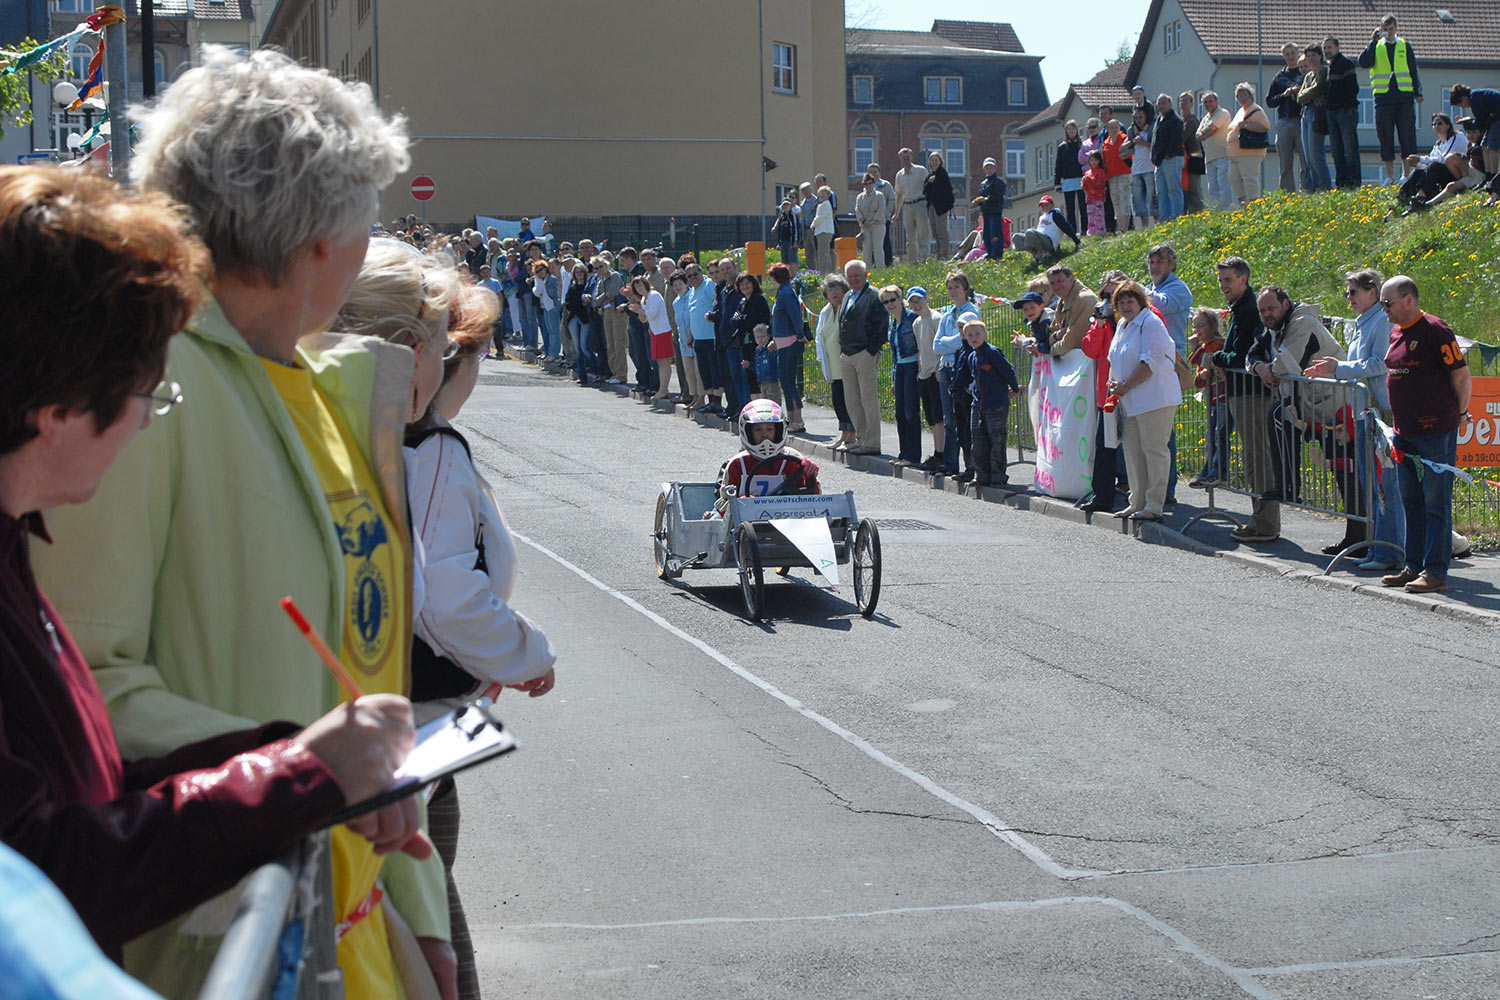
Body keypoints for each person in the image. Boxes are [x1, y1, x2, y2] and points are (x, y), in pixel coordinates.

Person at [27, 47, 453, 1000]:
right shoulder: (144, 389)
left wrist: (418, 906)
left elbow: (364, 664)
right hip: (217, 945)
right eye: (368, 215)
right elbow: (90, 689)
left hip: (345, 922)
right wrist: (303, 768)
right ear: (317, 237)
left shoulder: (315, 384)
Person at [1304, 269, 1405, 571]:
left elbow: (1379, 363)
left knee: (1386, 484)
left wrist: (1340, 368)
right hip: (1364, 414)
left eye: (1353, 292)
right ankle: (1377, 547)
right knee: (1371, 484)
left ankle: (1391, 551)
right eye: (1347, 292)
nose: (1348, 298)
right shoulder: (1363, 324)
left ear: (1372, 292)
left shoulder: (1382, 322)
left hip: (1381, 414)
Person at [1376, 276, 1470, 594]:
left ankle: (1435, 571)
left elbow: (1461, 374)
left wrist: (1461, 413)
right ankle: (1413, 566)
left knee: (1435, 503)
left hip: (1435, 432)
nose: (1384, 309)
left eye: (1387, 303)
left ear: (1408, 300)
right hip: (1405, 433)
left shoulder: (1435, 330)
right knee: (1411, 502)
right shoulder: (1395, 331)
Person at [1208, 257, 1279, 543]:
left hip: (1252, 393)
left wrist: (1215, 357)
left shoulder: (1250, 309)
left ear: (1243, 279)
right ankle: (1261, 519)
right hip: (1242, 393)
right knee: (1253, 458)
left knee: (1258, 459)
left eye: (1228, 279)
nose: (1223, 285)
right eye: (1221, 279)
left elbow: (1241, 356)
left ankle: (1265, 523)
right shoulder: (1242, 308)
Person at [1106, 281, 1183, 521]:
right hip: (1129, 401)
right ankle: (1136, 502)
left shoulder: (1151, 323)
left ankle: (1154, 505)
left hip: (1155, 399)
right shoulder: (1122, 324)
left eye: (1130, 301)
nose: (1126, 306)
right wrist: (1116, 388)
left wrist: (1126, 386)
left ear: (1141, 302)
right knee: (1133, 452)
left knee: (1154, 450)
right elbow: (1115, 358)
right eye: (1121, 302)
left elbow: (1149, 363)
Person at [716, 400, 820, 510]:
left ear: (779, 430)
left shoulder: (792, 460)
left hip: (786, 520)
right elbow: (722, 509)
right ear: (748, 432)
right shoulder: (737, 464)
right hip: (745, 523)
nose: (764, 434)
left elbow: (813, 502)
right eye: (758, 430)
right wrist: (742, 504)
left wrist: (809, 474)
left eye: (769, 429)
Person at [1359, 15, 1423, 186]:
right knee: (1385, 135)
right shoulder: (1376, 46)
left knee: (1406, 135)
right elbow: (1364, 62)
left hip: (1404, 97)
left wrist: (1418, 91)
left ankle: (1406, 173)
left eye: (1391, 28)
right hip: (1383, 98)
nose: (1388, 32)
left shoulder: (1404, 45)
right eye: (1385, 29)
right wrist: (1372, 42)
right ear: (1380, 29)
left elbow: (1413, 69)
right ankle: (1390, 174)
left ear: (1396, 28)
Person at [932, 271, 983, 477]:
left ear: (965, 289)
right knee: (949, 418)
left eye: (956, 287)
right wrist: (951, 342)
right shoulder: (946, 315)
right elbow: (937, 345)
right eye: (950, 287)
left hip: (962, 367)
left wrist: (951, 341)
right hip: (946, 368)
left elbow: (965, 339)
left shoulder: (971, 311)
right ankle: (950, 463)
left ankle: (970, 465)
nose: (953, 291)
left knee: (964, 418)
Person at [959, 321, 1019, 489]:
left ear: (985, 334)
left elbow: (1007, 371)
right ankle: (982, 475)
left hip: (996, 403)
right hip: (978, 405)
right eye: (969, 335)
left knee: (997, 440)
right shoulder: (972, 357)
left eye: (977, 334)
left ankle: (998, 476)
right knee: (978, 441)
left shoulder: (992, 353)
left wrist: (1014, 388)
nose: (973, 338)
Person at [838, 259, 887, 455]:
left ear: (865, 275)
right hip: (847, 354)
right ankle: (861, 438)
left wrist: (871, 351)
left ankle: (872, 442)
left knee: (868, 399)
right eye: (849, 276)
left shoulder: (875, 296)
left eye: (856, 275)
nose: (853, 279)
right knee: (852, 400)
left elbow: (882, 325)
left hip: (865, 353)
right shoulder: (848, 295)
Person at [1187, 307, 1231, 489]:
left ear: (1213, 326)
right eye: (1194, 326)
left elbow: (1208, 360)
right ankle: (1209, 469)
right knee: (1211, 436)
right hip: (1212, 399)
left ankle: (1218, 471)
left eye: (1201, 325)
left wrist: (1196, 347)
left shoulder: (1218, 345)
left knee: (1220, 435)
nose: (1197, 330)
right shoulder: (1205, 348)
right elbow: (1200, 377)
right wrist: (1202, 376)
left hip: (1224, 398)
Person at [814, 272, 856, 451]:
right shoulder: (825, 311)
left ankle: (852, 436)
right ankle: (844, 434)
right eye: (830, 289)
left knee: (850, 401)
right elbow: (819, 336)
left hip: (846, 362)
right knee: (838, 401)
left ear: (844, 290)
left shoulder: (848, 306)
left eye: (837, 288)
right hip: (832, 365)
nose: (834, 293)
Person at [881, 285, 923, 466]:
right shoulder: (892, 325)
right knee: (899, 413)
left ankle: (912, 456)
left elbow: (921, 345)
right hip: (899, 369)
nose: (890, 304)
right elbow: (894, 354)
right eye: (886, 301)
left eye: (892, 300)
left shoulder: (913, 319)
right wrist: (893, 379)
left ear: (900, 299)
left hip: (913, 367)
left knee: (910, 412)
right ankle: (903, 452)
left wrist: (921, 369)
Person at [908, 286, 945, 471]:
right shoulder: (916, 323)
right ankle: (937, 451)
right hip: (924, 373)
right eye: (912, 302)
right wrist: (919, 370)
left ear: (926, 299)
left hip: (935, 373)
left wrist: (939, 367)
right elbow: (921, 348)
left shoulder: (936, 318)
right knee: (931, 417)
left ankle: (941, 453)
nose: (916, 305)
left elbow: (940, 345)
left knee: (939, 417)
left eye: (918, 300)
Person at [767, 261, 806, 432]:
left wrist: (800, 335)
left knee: (789, 381)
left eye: (771, 278)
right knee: (786, 381)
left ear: (776, 278)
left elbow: (795, 316)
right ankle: (791, 418)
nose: (770, 281)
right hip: (783, 342)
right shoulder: (783, 292)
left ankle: (797, 419)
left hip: (790, 342)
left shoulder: (787, 294)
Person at [1396, 113, 1468, 207]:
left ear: (1448, 125)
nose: (1436, 126)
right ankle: (1403, 197)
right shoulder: (1438, 144)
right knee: (1418, 171)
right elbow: (1428, 165)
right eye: (1434, 124)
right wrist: (1417, 164)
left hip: (1458, 175)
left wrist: (1421, 159)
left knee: (1435, 167)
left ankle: (1420, 197)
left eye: (1440, 123)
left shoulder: (1457, 137)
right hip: (1443, 174)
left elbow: (1443, 160)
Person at [682, 261, 723, 415]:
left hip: (711, 336)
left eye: (695, 274)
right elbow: (694, 314)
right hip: (698, 338)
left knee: (714, 370)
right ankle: (711, 400)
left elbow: (716, 306)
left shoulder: (708, 286)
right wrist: (691, 336)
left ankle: (717, 402)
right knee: (705, 372)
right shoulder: (692, 291)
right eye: (689, 276)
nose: (693, 278)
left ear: (701, 273)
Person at [1323, 37, 1363, 188]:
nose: (1327, 50)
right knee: (1336, 150)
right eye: (1325, 48)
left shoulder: (1345, 64)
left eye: (1330, 47)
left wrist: (1345, 106)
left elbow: (1353, 88)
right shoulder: (1328, 69)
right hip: (1332, 113)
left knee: (1349, 149)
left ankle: (1353, 181)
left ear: (1337, 47)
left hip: (1345, 112)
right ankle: (1341, 182)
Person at [628, 275, 674, 405]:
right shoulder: (644, 299)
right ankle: (663, 388)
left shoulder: (653, 295)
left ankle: (663, 389)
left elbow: (651, 314)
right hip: (655, 331)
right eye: (636, 286)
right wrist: (640, 312)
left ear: (646, 284)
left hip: (662, 331)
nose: (639, 288)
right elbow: (645, 318)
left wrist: (639, 311)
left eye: (640, 285)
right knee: (660, 362)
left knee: (664, 362)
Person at [1267, 43, 1307, 192]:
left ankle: (1306, 191)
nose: (1290, 56)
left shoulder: (1304, 72)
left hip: (1301, 120)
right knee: (1285, 162)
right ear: (1283, 56)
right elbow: (1270, 101)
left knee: (1305, 160)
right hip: (1284, 121)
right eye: (1287, 54)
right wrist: (1285, 94)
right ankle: (1286, 194)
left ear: (1298, 53)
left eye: (1292, 53)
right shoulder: (1280, 76)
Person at [1295, 44, 1333, 192]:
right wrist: (1306, 95)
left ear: (1320, 56)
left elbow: (1317, 89)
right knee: (1307, 156)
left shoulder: (1324, 73)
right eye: (1308, 56)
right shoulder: (1309, 76)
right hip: (1305, 114)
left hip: (1317, 114)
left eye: (1313, 55)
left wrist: (1306, 94)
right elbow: (1300, 97)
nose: (1311, 59)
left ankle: (1324, 186)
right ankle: (1315, 186)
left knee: (1316, 154)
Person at [1225, 83, 1271, 205]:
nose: (1242, 98)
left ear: (1250, 95)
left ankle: (1254, 204)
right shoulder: (1241, 111)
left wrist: (1245, 125)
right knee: (1233, 178)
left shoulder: (1255, 109)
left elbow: (1265, 126)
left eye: (1244, 94)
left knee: (1249, 178)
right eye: (1239, 95)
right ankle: (1243, 203)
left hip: (1249, 152)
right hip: (1235, 154)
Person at [1044, 264, 1098, 358]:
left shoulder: (1084, 299)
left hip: (1086, 365)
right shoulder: (1063, 300)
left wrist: (1046, 351)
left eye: (1060, 281)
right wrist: (1056, 336)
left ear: (1071, 278)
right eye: (1052, 283)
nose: (1056, 286)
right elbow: (1050, 333)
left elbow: (1071, 342)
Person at [1012, 194, 1081, 264]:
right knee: (1016, 237)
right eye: (1042, 206)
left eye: (1046, 205)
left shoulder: (1055, 214)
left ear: (1052, 205)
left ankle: (1044, 253)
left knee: (1029, 232)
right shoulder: (1042, 217)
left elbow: (1066, 227)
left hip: (1049, 241)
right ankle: (1036, 255)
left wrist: (1076, 241)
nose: (1044, 207)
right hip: (1039, 239)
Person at [1448, 84, 1500, 176]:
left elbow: (1480, 123)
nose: (1463, 107)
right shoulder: (1475, 96)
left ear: (1463, 98)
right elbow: (1481, 118)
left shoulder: (1474, 99)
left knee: (1492, 147)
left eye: (1460, 105)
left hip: (1497, 118)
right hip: (1493, 118)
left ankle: (1493, 176)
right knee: (1484, 146)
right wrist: (1468, 120)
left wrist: (1467, 124)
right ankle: (1488, 175)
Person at [892, 147, 931, 263]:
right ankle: (912, 262)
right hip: (907, 206)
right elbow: (899, 195)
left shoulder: (921, 171)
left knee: (923, 234)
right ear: (900, 159)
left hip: (920, 204)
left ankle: (923, 260)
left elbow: (929, 188)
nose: (906, 159)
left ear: (911, 157)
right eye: (903, 158)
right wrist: (896, 214)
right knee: (910, 237)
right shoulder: (899, 175)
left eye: (908, 157)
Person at [595, 252, 629, 384]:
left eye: (601, 266)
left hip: (617, 311)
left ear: (607, 265)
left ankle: (621, 374)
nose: (599, 270)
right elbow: (595, 299)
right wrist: (603, 297)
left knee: (618, 342)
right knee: (610, 344)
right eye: (596, 268)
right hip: (606, 312)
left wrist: (602, 297)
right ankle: (614, 373)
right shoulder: (600, 280)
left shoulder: (615, 276)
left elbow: (613, 292)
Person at [1151, 94, 1186, 222]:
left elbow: (1176, 140)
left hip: (1171, 159)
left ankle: (1177, 219)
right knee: (1161, 192)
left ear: (1170, 103)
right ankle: (1164, 220)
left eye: (1164, 103)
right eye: (1159, 103)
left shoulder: (1175, 119)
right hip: (1159, 161)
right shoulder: (1159, 119)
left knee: (1174, 189)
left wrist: (1168, 155)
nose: (1161, 106)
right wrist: (1154, 157)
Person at [1197, 91, 1234, 209]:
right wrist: (1206, 132)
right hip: (1209, 158)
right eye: (1205, 102)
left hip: (1222, 155)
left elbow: (1212, 128)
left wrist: (1206, 133)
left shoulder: (1222, 113)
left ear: (1216, 101)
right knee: (1212, 188)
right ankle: (1216, 213)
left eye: (1210, 101)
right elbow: (1197, 135)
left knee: (1223, 186)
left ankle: (1226, 212)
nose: (1208, 104)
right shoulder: (1205, 118)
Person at [565, 260, 596, 385]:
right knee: (577, 348)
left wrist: (581, 303)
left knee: (585, 347)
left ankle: (597, 367)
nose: (578, 274)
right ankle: (582, 375)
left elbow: (588, 303)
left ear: (584, 273)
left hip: (585, 319)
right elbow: (569, 304)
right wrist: (580, 303)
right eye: (576, 272)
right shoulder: (572, 288)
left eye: (580, 272)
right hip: (573, 318)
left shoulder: (588, 287)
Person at [1101, 119, 1135, 231]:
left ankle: (1125, 229)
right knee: (1116, 202)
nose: (1114, 129)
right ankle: (1120, 229)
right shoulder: (1105, 143)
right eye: (1111, 127)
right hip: (1111, 176)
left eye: (1116, 126)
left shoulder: (1125, 139)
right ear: (1108, 130)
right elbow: (1104, 160)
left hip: (1124, 173)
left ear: (1119, 128)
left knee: (1125, 201)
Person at [1054, 120, 1086, 232]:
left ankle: (1084, 231)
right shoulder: (1062, 147)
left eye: (1073, 128)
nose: (1071, 131)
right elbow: (1058, 166)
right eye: (1069, 129)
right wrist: (1057, 183)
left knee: (1083, 207)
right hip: (1068, 181)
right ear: (1066, 131)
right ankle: (1072, 233)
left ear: (1077, 130)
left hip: (1082, 179)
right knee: (1070, 209)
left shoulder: (1082, 145)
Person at [1129, 107, 1158, 227]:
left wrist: (1144, 143)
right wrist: (1132, 141)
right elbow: (1122, 149)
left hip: (1149, 168)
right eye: (1136, 118)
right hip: (1136, 170)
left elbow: (1156, 146)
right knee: (1138, 200)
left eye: (1141, 117)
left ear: (1146, 117)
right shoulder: (1132, 132)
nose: (1138, 120)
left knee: (1152, 199)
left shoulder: (1151, 130)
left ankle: (1157, 224)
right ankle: (1144, 227)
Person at [924, 150, 955, 259]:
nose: (934, 162)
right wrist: (929, 182)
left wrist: (934, 182)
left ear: (940, 161)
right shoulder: (930, 175)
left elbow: (945, 190)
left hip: (941, 207)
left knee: (941, 229)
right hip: (931, 205)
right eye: (932, 160)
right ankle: (938, 251)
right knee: (934, 229)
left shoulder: (942, 173)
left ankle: (944, 253)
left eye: (936, 160)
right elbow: (925, 189)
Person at [1179, 92, 1207, 214]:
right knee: (1187, 188)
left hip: (1193, 158)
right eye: (1182, 100)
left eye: (1186, 100)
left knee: (1194, 188)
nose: (1184, 103)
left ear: (1191, 103)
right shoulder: (1182, 120)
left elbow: (1182, 138)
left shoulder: (1191, 121)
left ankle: (1200, 213)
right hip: (1186, 158)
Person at [974, 157, 1006, 259]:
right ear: (984, 170)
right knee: (987, 234)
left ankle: (997, 254)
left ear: (995, 168)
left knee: (995, 233)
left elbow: (998, 196)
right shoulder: (983, 184)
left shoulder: (999, 182)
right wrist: (978, 201)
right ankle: (989, 252)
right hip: (986, 212)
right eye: (987, 168)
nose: (989, 170)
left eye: (991, 167)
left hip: (995, 212)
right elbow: (981, 196)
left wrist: (986, 199)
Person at [868, 161, 898, 266]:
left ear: (879, 173)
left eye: (875, 172)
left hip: (883, 219)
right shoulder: (866, 186)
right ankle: (873, 264)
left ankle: (888, 263)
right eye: (870, 172)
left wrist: (885, 213)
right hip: (869, 221)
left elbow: (892, 200)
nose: (873, 174)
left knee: (884, 242)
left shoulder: (885, 185)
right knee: (870, 243)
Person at [855, 173, 887, 269]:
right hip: (865, 226)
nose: (868, 185)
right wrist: (863, 221)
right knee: (866, 249)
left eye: (870, 183)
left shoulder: (879, 195)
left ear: (873, 183)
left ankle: (881, 269)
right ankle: (866, 271)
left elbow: (881, 209)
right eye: (866, 183)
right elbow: (857, 210)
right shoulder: (860, 197)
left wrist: (872, 222)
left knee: (878, 248)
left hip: (878, 224)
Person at [1082, 150, 1109, 236]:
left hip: (1098, 197)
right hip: (1089, 198)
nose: (1093, 162)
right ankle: (1091, 232)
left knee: (1099, 215)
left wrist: (1090, 180)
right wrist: (1084, 182)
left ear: (1099, 161)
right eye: (1092, 160)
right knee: (1091, 216)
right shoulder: (1087, 173)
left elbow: (1101, 184)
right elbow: (1084, 187)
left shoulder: (1101, 171)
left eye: (1095, 160)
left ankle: (1101, 231)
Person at [810, 185, 836, 273]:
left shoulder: (825, 204)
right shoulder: (822, 204)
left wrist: (812, 225)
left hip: (824, 231)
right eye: (820, 193)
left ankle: (824, 273)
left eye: (824, 193)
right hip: (823, 231)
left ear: (828, 195)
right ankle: (826, 272)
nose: (821, 195)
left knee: (823, 254)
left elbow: (819, 218)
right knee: (824, 253)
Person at [751, 324, 780, 402]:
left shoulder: (770, 349)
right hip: (761, 381)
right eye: (757, 337)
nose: (760, 339)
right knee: (764, 401)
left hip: (771, 380)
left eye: (762, 336)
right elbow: (757, 365)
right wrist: (750, 365)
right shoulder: (757, 350)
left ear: (768, 336)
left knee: (773, 399)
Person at [772, 198, 800, 267]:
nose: (786, 206)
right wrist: (779, 243)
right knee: (784, 262)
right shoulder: (782, 217)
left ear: (790, 206)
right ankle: (786, 276)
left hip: (791, 241)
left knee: (792, 260)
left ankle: (794, 276)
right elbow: (780, 232)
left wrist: (795, 242)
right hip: (783, 242)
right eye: (784, 205)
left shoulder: (793, 216)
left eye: (787, 204)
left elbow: (795, 229)